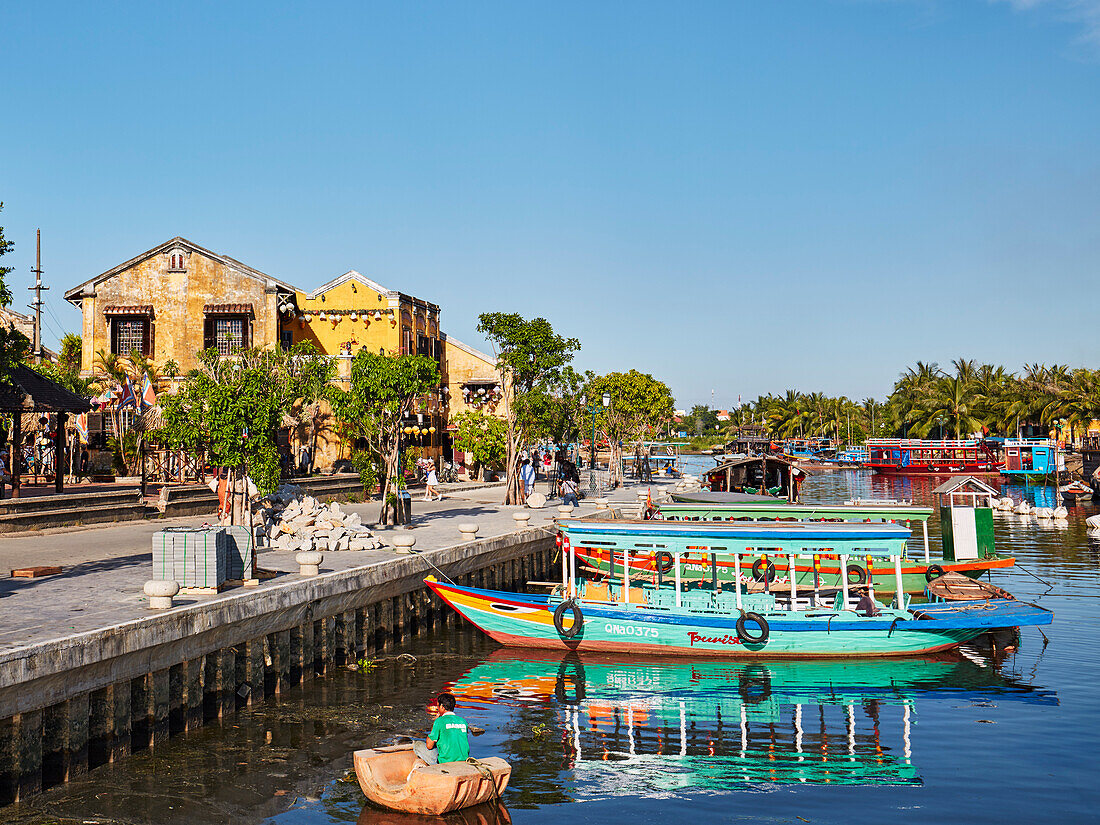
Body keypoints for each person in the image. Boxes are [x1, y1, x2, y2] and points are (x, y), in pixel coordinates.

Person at [425, 692, 470, 764]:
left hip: (446, 762)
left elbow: (429, 746)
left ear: (442, 707)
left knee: (417, 747)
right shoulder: (463, 721)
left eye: (438, 706)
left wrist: (435, 722)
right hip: (464, 760)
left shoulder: (439, 721)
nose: (437, 709)